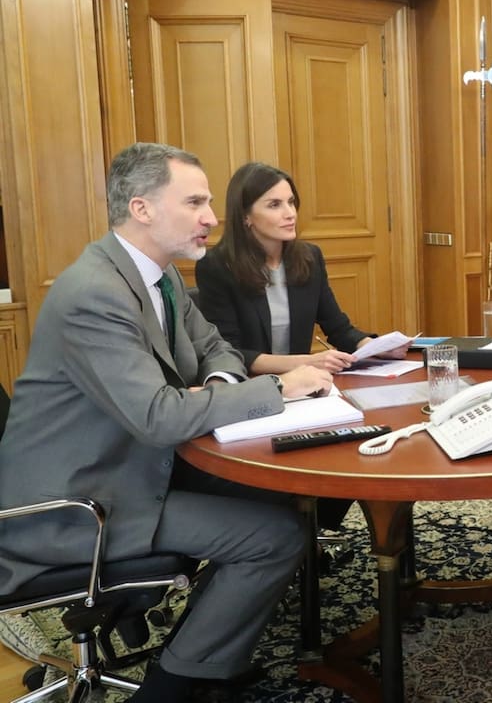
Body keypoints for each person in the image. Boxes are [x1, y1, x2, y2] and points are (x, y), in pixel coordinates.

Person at [0, 142, 332, 701]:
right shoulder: (94, 294)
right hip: (78, 502)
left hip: (130, 467)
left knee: (277, 492)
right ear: (142, 209)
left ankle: (203, 646)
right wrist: (274, 387)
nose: (210, 217)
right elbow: (157, 416)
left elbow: (216, 347)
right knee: (272, 538)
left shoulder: (162, 277)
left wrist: (223, 383)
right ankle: (174, 686)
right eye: (195, 201)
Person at [196, 161, 408, 377]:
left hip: (305, 385)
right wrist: (309, 362)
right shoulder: (216, 266)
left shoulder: (309, 257)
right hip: (250, 386)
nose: (290, 214)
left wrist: (376, 346)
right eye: (274, 205)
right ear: (245, 216)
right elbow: (230, 352)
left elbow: (338, 329)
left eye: (291, 202)